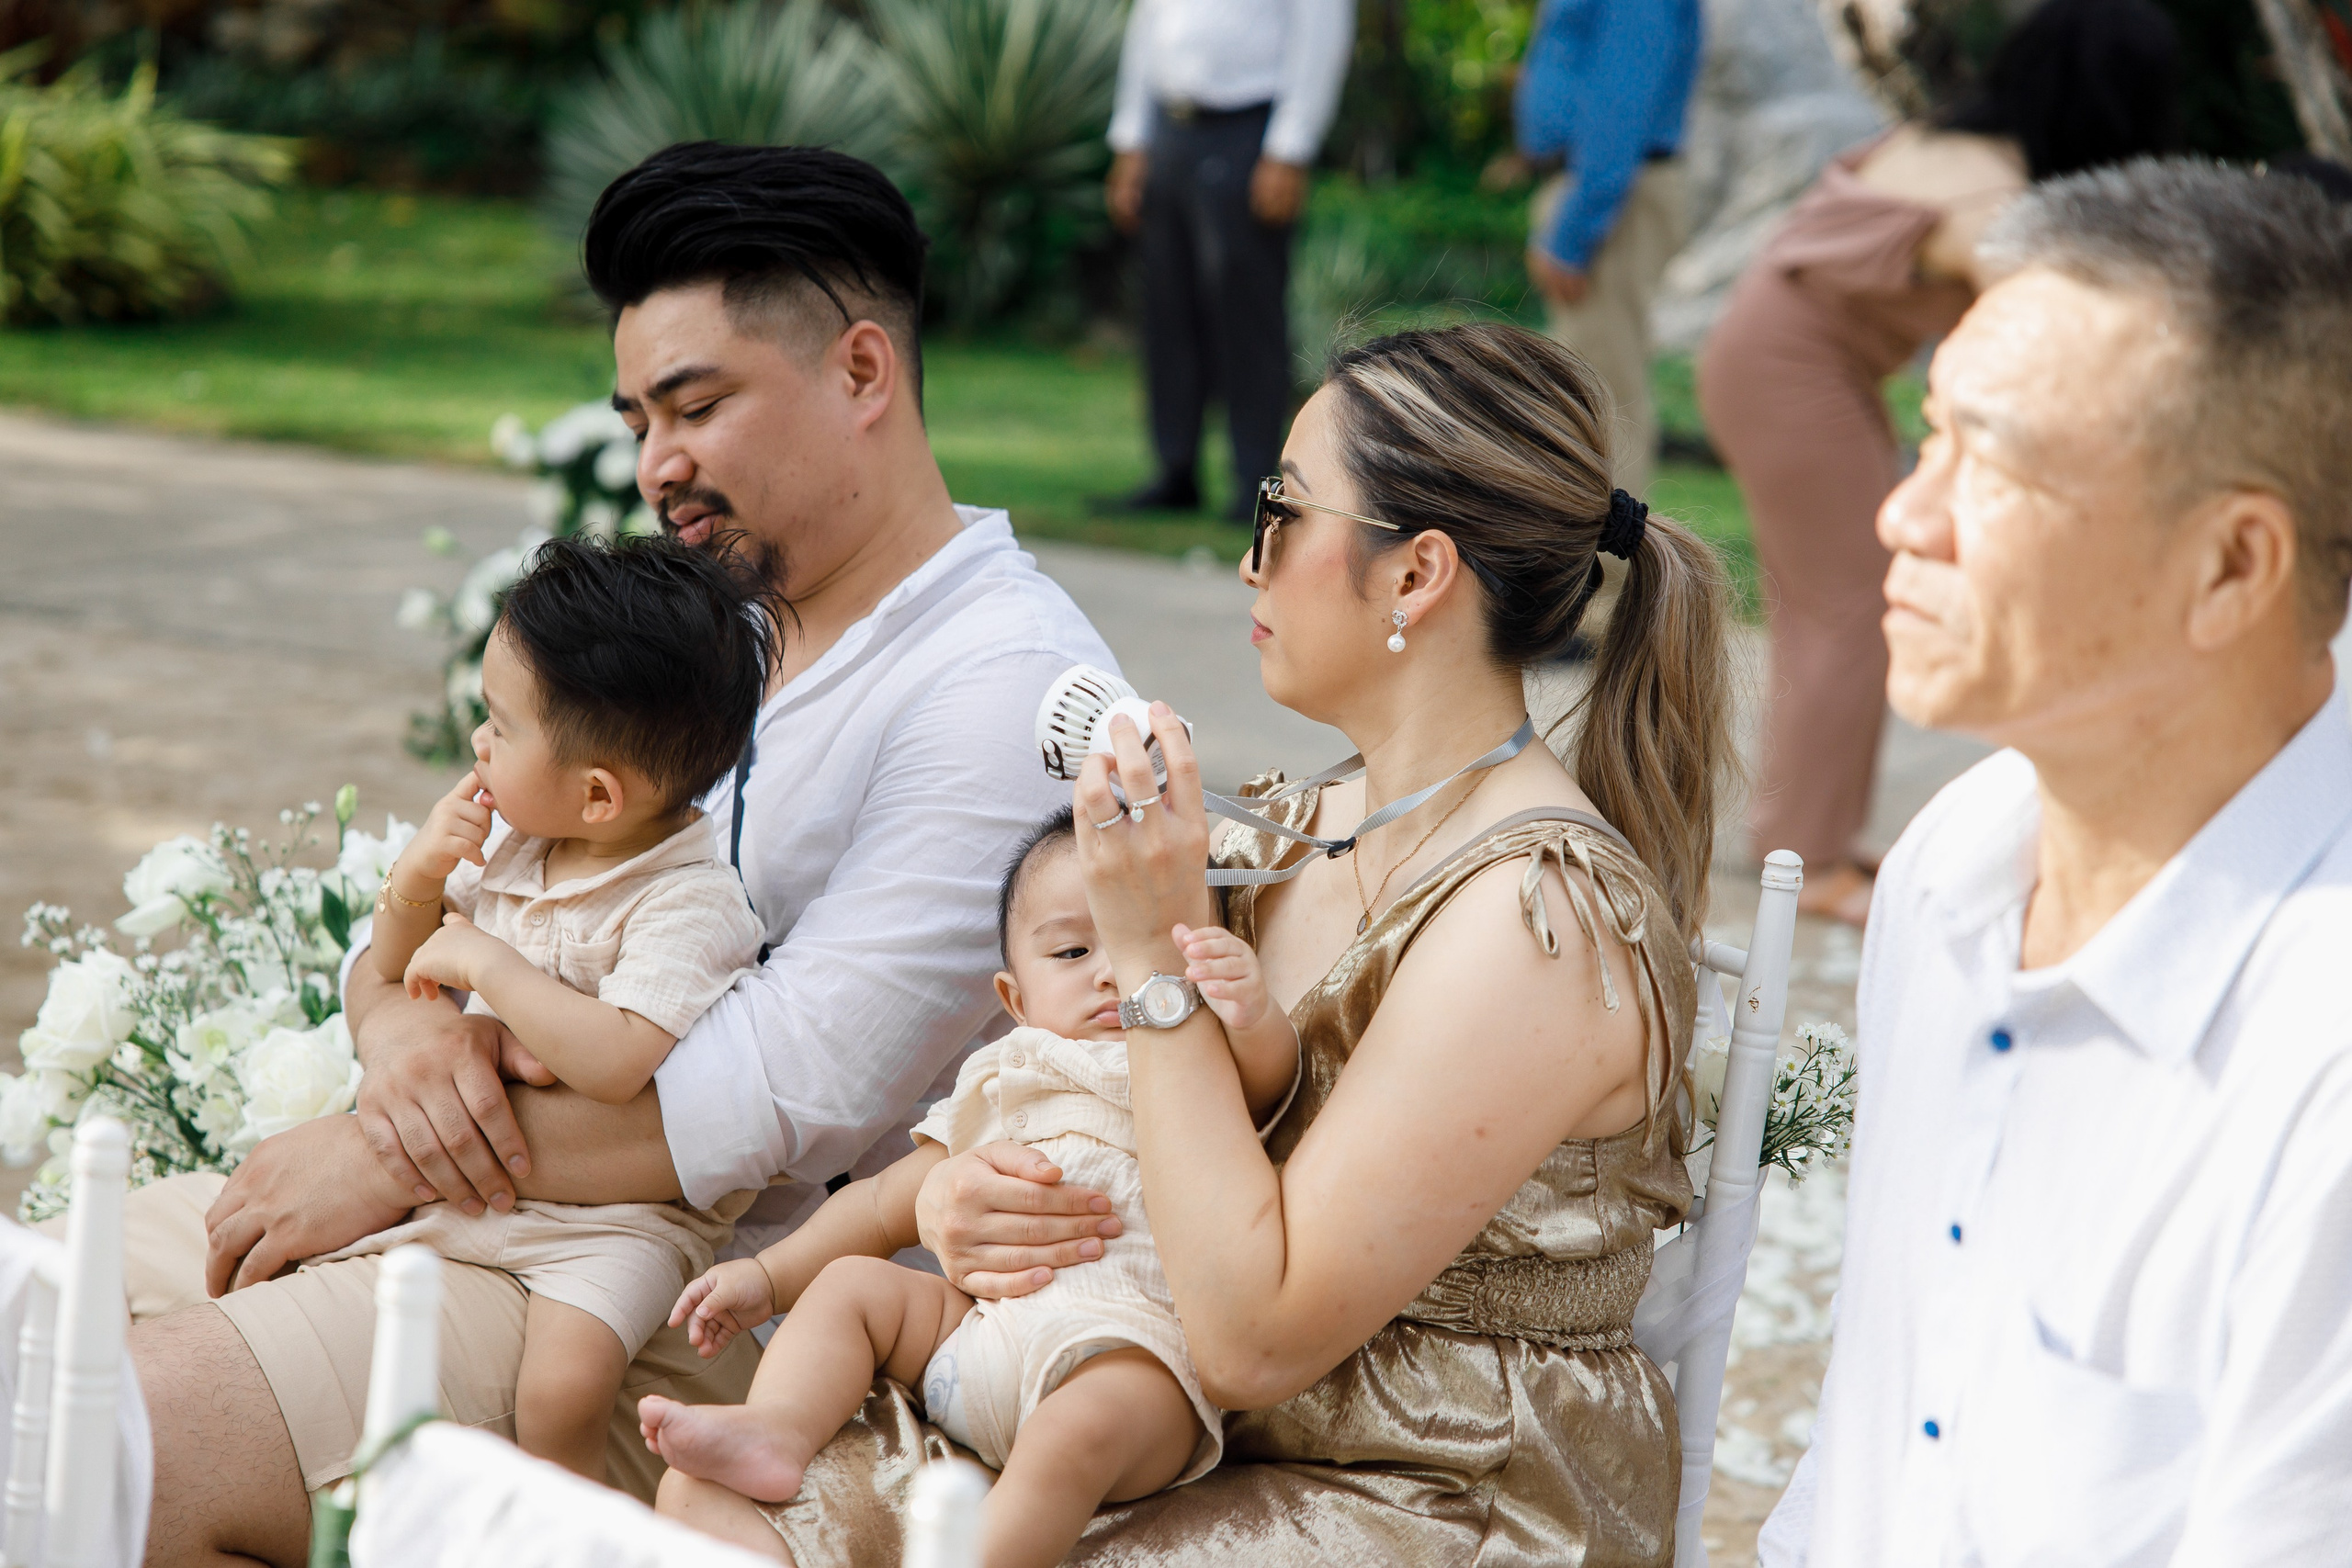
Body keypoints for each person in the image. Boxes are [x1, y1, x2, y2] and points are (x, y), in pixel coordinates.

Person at [119, 142, 1116, 1564]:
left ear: (861, 372)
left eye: (697, 405)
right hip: (486, 1213)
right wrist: (395, 1035)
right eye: (638, 415)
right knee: (45, 1326)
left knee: (140, 1439)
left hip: (712, 1316)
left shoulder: (999, 686)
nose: (657, 465)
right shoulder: (709, 626)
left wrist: (378, 1156)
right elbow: (456, 885)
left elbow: (762, 1101)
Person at [663, 321, 1739, 1564]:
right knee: (726, 1509)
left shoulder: (1532, 916)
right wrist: (970, 1193)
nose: (1246, 561)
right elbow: (1140, 1124)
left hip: (1436, 1478)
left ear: (1416, 573)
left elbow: (1255, 1332)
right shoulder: (1303, 823)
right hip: (1187, 1404)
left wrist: (1150, 959)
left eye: (1280, 511)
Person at [1758, 159, 2352, 1562]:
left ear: (2231, 567)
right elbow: (1885, 1419)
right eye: (1929, 434)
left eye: (2001, 464)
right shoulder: (1955, 862)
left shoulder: (2322, 1052)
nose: (1908, 514)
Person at [639, 809, 1298, 1565]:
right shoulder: (1005, 1080)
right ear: (1015, 1001)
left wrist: (1252, 1015)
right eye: (1074, 949)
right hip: (980, 1342)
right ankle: (779, 1427)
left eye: (1134, 942)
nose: (1111, 971)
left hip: (1129, 1358)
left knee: (1071, 1434)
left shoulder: (1196, 1056)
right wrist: (767, 1276)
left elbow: (1271, 1086)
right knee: (854, 1284)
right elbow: (885, 1202)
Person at [1697, 0, 2178, 924]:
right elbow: (2046, 341)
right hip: (1792, 373)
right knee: (1851, 605)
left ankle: (1805, 837)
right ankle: (1809, 857)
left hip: (1771, 357)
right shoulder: (1993, 202)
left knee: (1831, 604)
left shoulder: (1944, 144)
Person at [314, 536, 773, 1482]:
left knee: (559, 1392)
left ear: (598, 794)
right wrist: (416, 884)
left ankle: (560, 1523)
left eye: (500, 725)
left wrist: (489, 960)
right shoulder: (524, 839)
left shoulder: (689, 903)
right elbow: (405, 974)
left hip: (623, 1215)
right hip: (503, 1174)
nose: (479, 743)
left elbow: (615, 1059)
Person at [1099, 0, 1357, 520]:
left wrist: (1291, 147)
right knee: (1167, 308)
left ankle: (1256, 479)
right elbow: (1148, 25)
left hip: (1249, 132)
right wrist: (1131, 140)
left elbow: (1321, 34)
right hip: (1170, 126)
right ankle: (1175, 470)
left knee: (1246, 315)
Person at [1514, 0, 1703, 502]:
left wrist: (1575, 229)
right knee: (1599, 398)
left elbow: (1622, 94)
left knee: (1601, 407)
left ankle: (1611, 579)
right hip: (1606, 185)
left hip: (1611, 193)